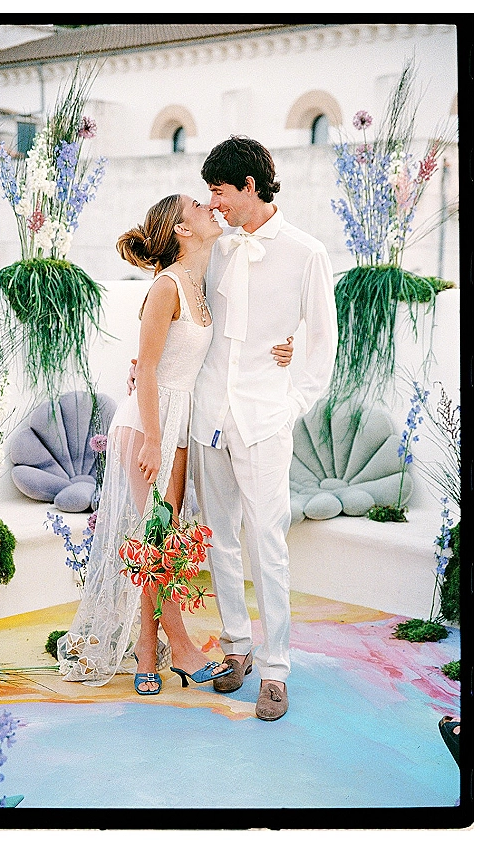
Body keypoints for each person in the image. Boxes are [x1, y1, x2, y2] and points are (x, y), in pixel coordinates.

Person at [130, 137, 337, 720]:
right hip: (205, 419)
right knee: (217, 537)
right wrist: (142, 362)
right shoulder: (214, 245)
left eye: (219, 190)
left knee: (267, 542)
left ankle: (276, 671)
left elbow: (323, 346)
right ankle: (237, 649)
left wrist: (289, 399)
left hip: (265, 421)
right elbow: (176, 301)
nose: (212, 203)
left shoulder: (307, 253)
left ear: (250, 186)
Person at [58, 193, 292, 693]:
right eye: (196, 205)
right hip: (148, 424)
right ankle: (178, 645)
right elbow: (145, 370)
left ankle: (148, 648)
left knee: (158, 541)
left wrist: (288, 343)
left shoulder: (200, 283)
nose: (209, 206)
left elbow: (233, 341)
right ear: (182, 230)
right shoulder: (167, 286)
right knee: (158, 539)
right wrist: (152, 442)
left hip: (181, 423)